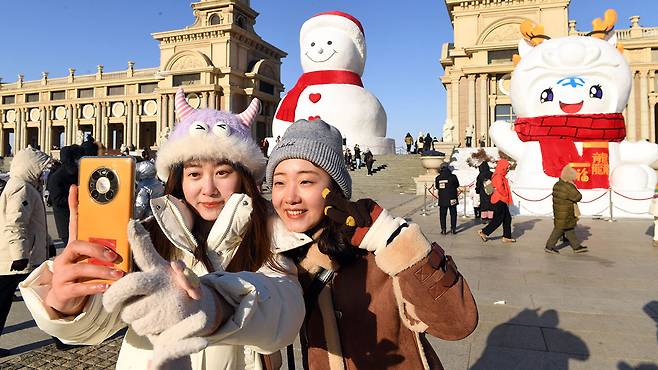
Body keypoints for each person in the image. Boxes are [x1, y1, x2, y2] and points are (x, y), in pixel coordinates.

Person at [19, 89, 304, 369]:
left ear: (244, 177)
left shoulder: (272, 235)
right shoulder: (148, 238)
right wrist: (70, 303)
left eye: (222, 173)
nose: (208, 189)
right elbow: (99, 324)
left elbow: (282, 311)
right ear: (178, 179)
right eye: (194, 174)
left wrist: (209, 305)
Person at [266, 119, 478, 369]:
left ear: (334, 189)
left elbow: (457, 322)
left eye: (306, 181)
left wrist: (395, 241)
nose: (290, 197)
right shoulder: (282, 257)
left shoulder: (376, 248)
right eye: (279, 182)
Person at [0, 148, 51, 357]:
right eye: (40, 168)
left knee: (44, 296)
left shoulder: (27, 186)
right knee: (41, 297)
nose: (42, 173)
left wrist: (47, 242)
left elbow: (36, 224)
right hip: (17, 259)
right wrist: (19, 255)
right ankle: (60, 337)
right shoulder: (22, 188)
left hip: (25, 255)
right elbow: (15, 224)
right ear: (31, 167)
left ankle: (60, 337)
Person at [46, 145, 84, 246]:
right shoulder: (57, 177)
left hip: (82, 221)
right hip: (65, 222)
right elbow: (57, 200)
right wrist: (77, 200)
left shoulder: (79, 173)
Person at [545, 165, 588, 254]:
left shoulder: (557, 184)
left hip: (559, 211)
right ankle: (549, 246)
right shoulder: (568, 186)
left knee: (569, 229)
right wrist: (573, 186)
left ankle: (576, 247)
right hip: (566, 212)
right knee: (559, 229)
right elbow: (578, 197)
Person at [478, 159, 516, 243]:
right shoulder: (498, 175)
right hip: (499, 199)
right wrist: (505, 194)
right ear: (502, 167)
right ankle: (484, 232)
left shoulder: (499, 175)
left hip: (500, 199)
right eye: (506, 168)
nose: (507, 169)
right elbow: (499, 187)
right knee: (498, 219)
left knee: (507, 218)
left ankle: (507, 236)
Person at [435, 163, 460, 234]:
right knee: (453, 214)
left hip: (442, 198)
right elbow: (457, 185)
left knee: (442, 215)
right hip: (452, 198)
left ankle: (443, 229)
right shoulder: (453, 176)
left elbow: (437, 187)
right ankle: (453, 229)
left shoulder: (438, 177)